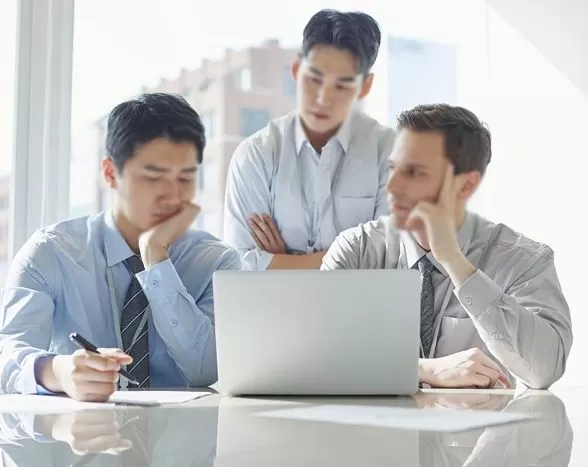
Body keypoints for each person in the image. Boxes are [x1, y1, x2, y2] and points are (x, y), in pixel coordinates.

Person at [0, 93, 240, 401]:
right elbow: (7, 356)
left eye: (186, 178)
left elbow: (207, 369)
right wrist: (60, 372)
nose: (173, 196)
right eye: (154, 177)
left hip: (182, 441)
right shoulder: (51, 253)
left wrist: (157, 263)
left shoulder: (217, 262)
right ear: (111, 173)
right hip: (82, 440)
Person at [322, 103, 572, 389]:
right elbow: (316, 355)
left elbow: (544, 370)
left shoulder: (523, 261)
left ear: (465, 186)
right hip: (374, 431)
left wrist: (456, 263)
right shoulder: (357, 250)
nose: (392, 186)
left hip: (477, 432)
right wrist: (424, 370)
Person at [223, 9, 395, 270]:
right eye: (314, 79)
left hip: (365, 311)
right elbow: (240, 265)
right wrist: (350, 259)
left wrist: (283, 261)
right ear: (295, 69)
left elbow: (391, 261)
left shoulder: (390, 152)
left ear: (365, 87)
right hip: (276, 310)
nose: (323, 98)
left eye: (341, 85)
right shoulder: (256, 154)